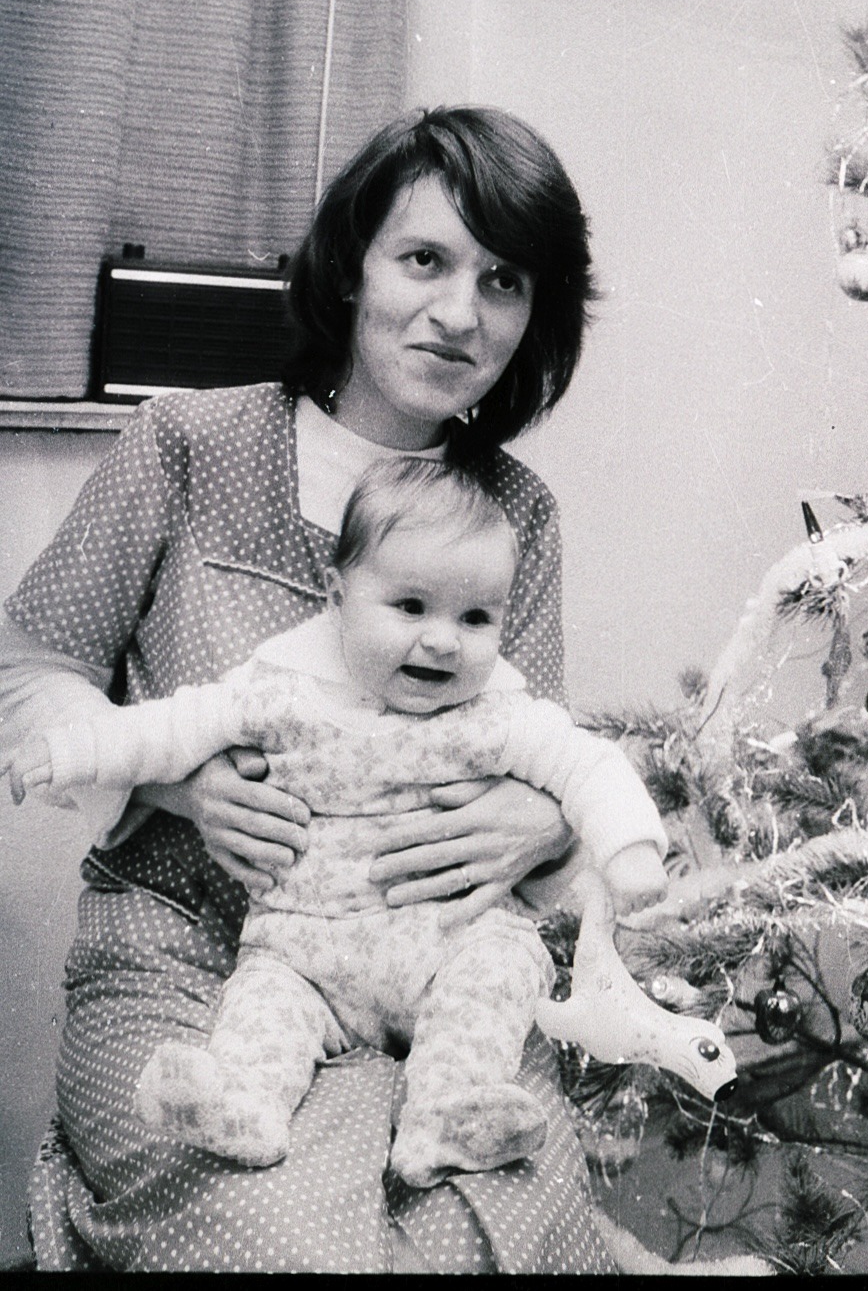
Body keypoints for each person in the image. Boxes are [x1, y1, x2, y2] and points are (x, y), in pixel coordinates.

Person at [0, 105, 619, 1273]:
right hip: (180, 958)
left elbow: (534, 748)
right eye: (424, 259)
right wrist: (178, 776)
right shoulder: (187, 444)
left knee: (478, 1237)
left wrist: (543, 825)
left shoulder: (519, 511)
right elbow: (32, 666)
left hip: (434, 988)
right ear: (350, 271)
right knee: (282, 1240)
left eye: (503, 281)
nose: (457, 312)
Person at [4, 458, 669, 1189]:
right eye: (411, 607)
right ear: (337, 597)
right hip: (305, 954)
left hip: (446, 949)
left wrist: (631, 850)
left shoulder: (495, 717)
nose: (444, 640)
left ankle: (445, 1116)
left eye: (476, 617)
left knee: (500, 969)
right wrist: (69, 750)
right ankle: (244, 1106)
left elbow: (590, 766)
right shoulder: (281, 696)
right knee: (262, 1004)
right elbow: (164, 729)